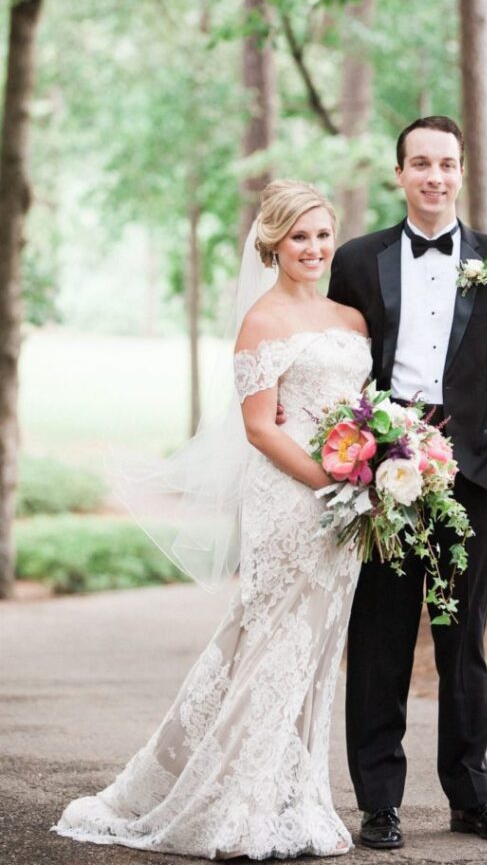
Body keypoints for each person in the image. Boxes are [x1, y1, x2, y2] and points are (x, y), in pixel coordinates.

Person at [53, 180, 371, 860]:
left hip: (346, 506)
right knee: (264, 648)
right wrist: (335, 485)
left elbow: (358, 412)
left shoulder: (350, 320)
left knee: (314, 652)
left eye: (321, 235)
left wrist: (369, 478)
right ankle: (233, 802)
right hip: (292, 501)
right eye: (299, 238)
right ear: (273, 244)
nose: (313, 249)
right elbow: (260, 429)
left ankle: (293, 797)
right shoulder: (260, 322)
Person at [328, 115, 487, 848]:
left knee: (462, 643)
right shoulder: (358, 261)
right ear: (399, 173)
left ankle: (470, 798)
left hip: (471, 478)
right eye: (419, 163)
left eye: (445, 164)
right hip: (383, 475)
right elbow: (336, 369)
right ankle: (379, 802)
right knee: (380, 640)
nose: (433, 176)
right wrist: (355, 456)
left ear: (461, 172)